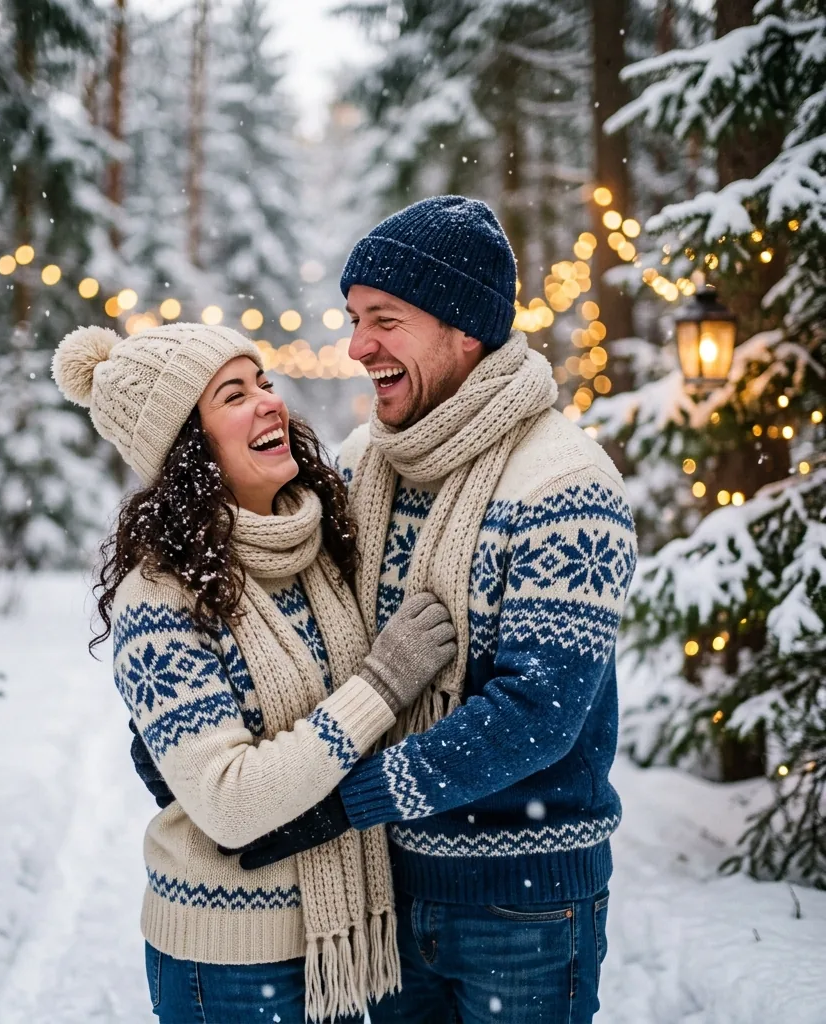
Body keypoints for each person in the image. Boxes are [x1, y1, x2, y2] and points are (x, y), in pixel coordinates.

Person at [226, 196, 639, 1024]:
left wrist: (340, 801)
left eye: (386, 319)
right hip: (382, 894)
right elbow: (292, 615)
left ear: (464, 329)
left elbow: (538, 713)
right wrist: (191, 728)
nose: (358, 347)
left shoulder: (565, 483)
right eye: (353, 319)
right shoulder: (363, 464)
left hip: (522, 906)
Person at [51, 321, 457, 1024]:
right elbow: (228, 801)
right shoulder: (161, 597)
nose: (270, 402)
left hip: (347, 942)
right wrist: (381, 687)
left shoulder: (319, 548)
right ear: (189, 449)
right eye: (233, 395)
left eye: (264, 382)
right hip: (232, 963)